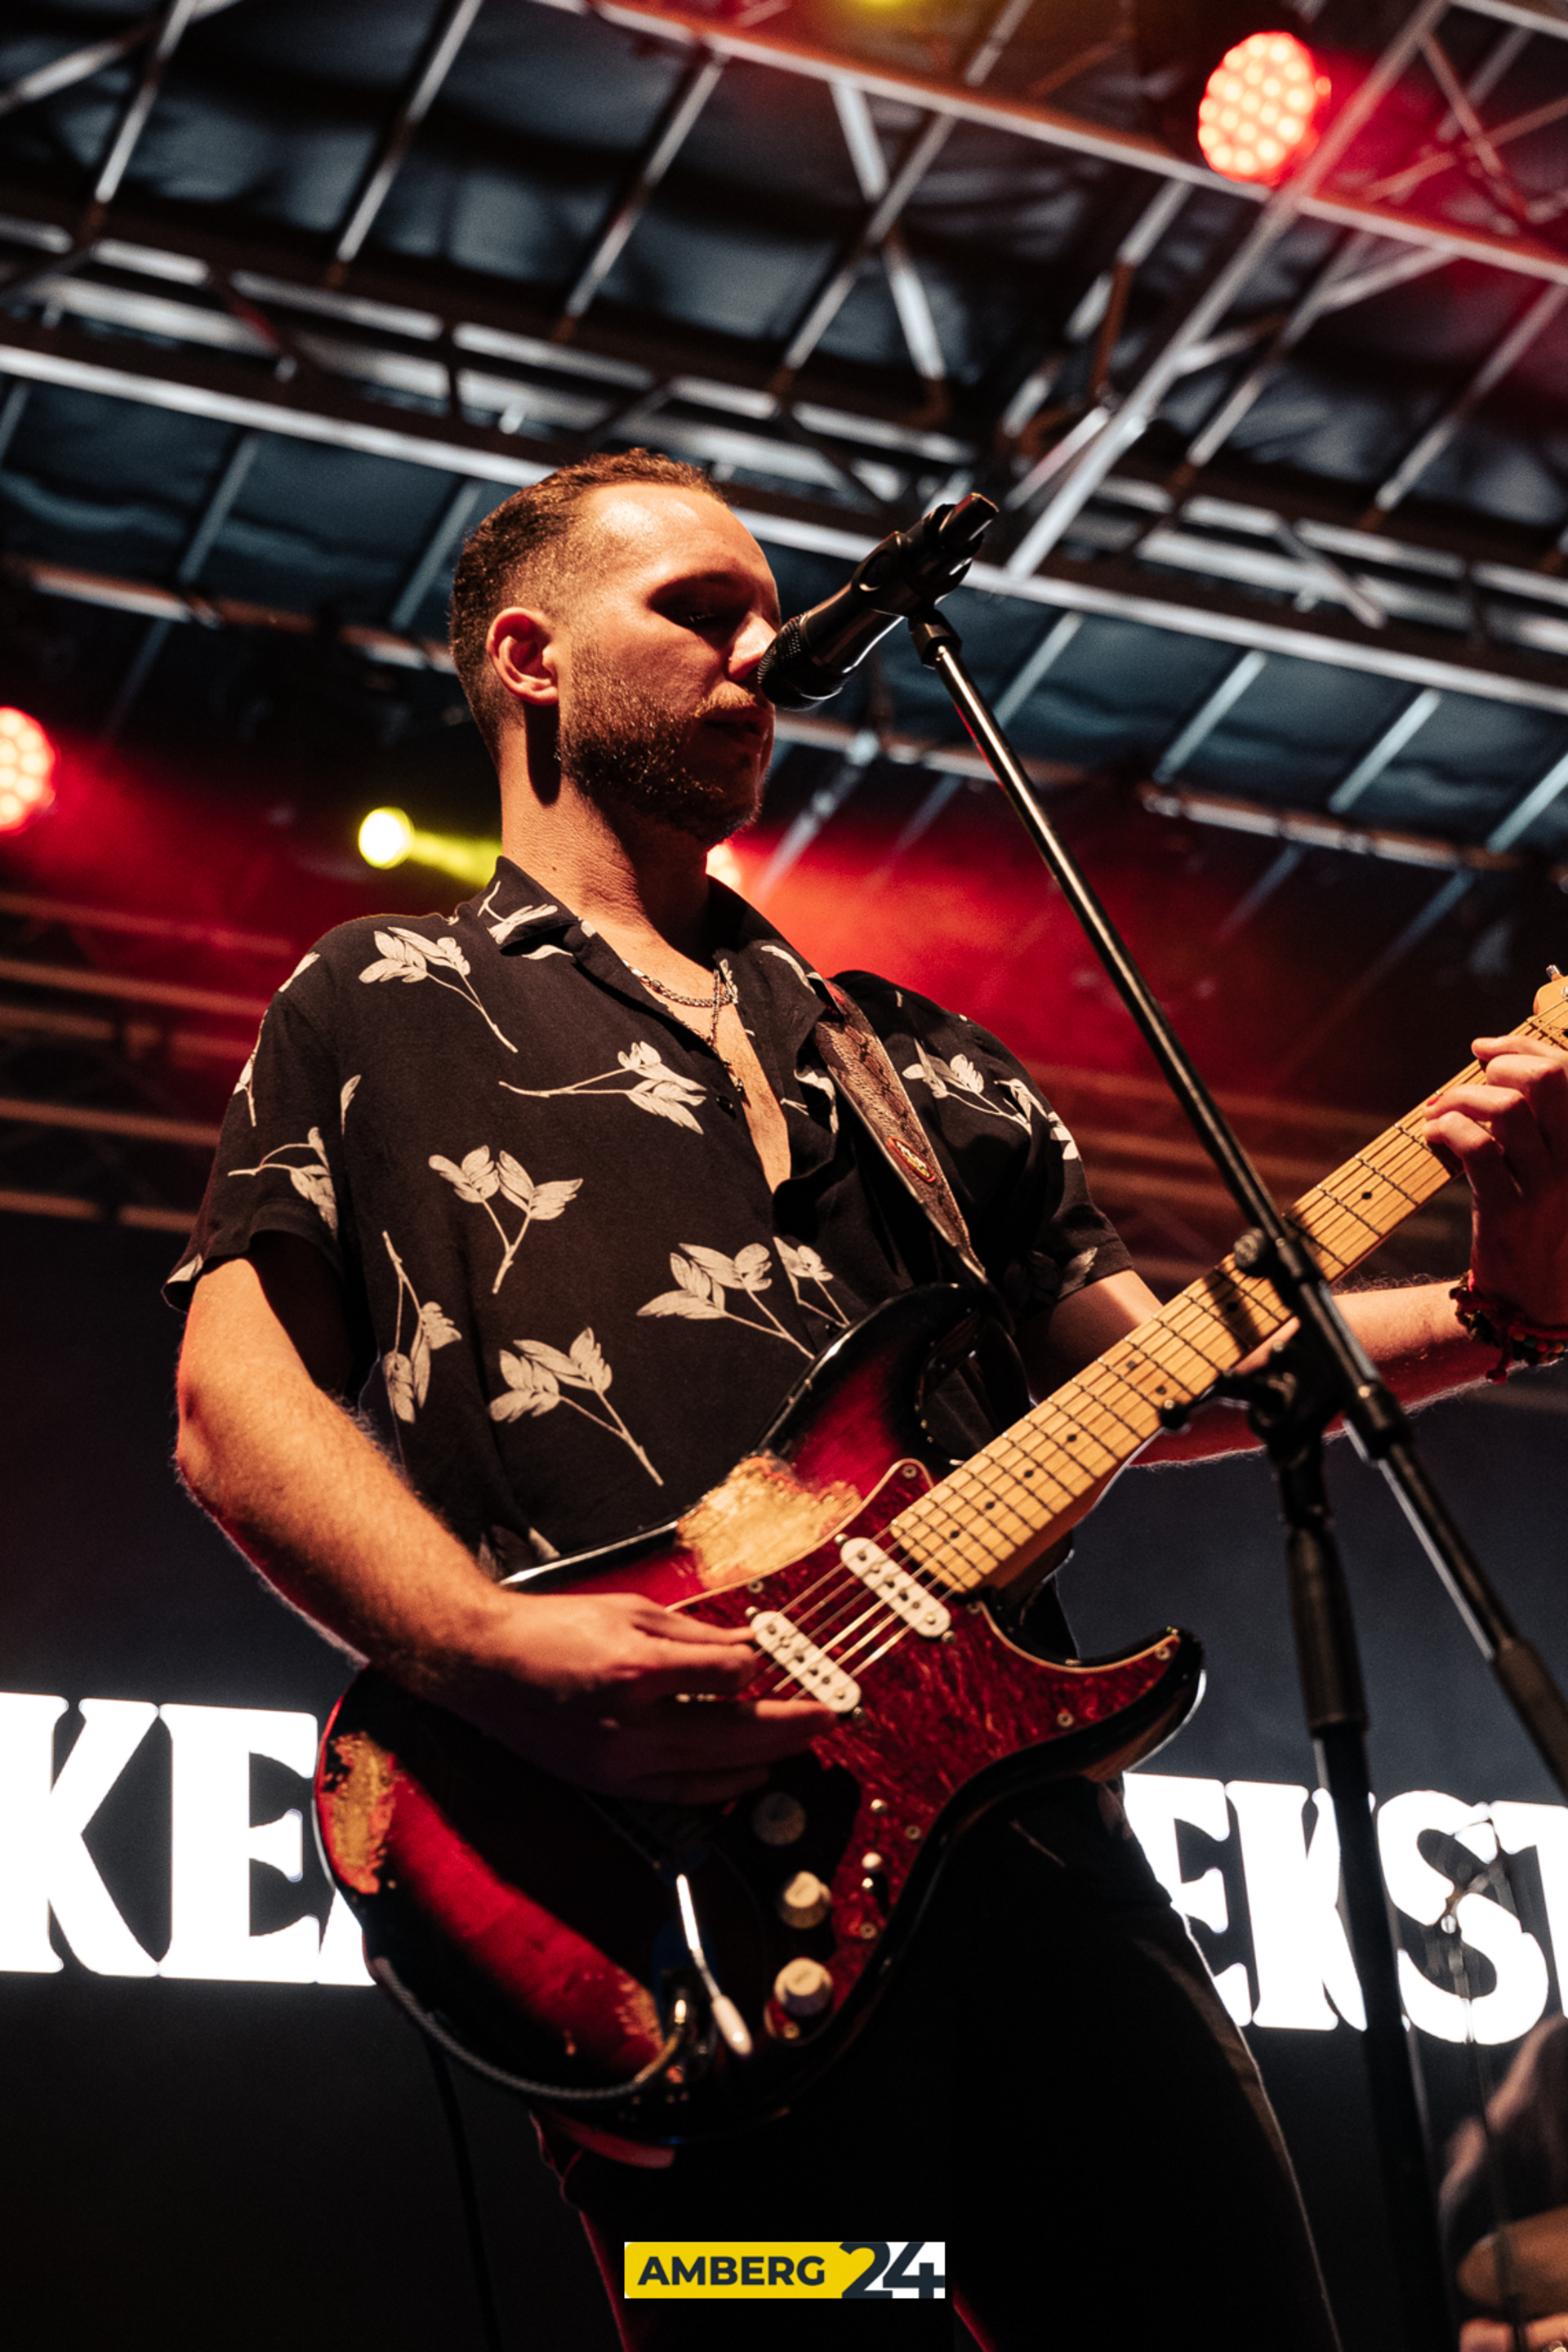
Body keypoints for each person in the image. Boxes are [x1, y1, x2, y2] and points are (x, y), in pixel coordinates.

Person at [170, 449, 1568, 2350]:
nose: (767, 644)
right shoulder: (382, 1000)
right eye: (700, 609)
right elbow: (229, 1400)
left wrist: (1501, 1305)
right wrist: (488, 1647)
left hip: (1029, 1853)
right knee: (814, 2316)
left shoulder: (920, 1060)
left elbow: (1157, 1374)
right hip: (665, 1901)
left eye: (769, 610)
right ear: (531, 658)